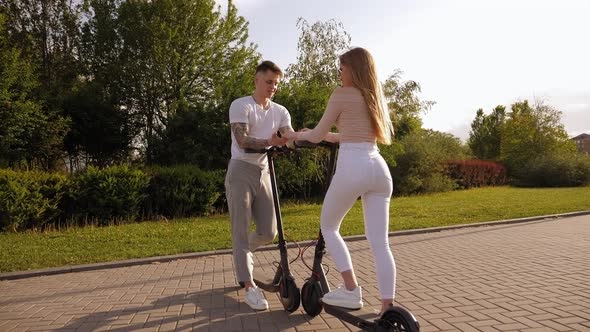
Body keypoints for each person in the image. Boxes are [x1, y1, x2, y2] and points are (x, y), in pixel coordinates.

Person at [283, 47, 396, 314]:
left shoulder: (341, 94)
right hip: (378, 169)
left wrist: (292, 136)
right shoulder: (375, 97)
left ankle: (350, 290)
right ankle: (387, 307)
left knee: (329, 226)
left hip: (353, 168)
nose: (339, 72)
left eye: (342, 68)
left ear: (353, 69)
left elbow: (318, 133)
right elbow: (350, 135)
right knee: (381, 243)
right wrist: (324, 135)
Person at [225, 60, 295, 311]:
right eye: (269, 82)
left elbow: (289, 136)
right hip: (241, 170)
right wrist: (270, 140)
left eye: (276, 83)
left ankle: (241, 255)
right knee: (241, 230)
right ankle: (249, 286)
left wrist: (309, 137)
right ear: (256, 80)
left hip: (264, 171)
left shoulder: (280, 111)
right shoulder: (241, 105)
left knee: (269, 232)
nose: (273, 87)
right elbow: (242, 140)